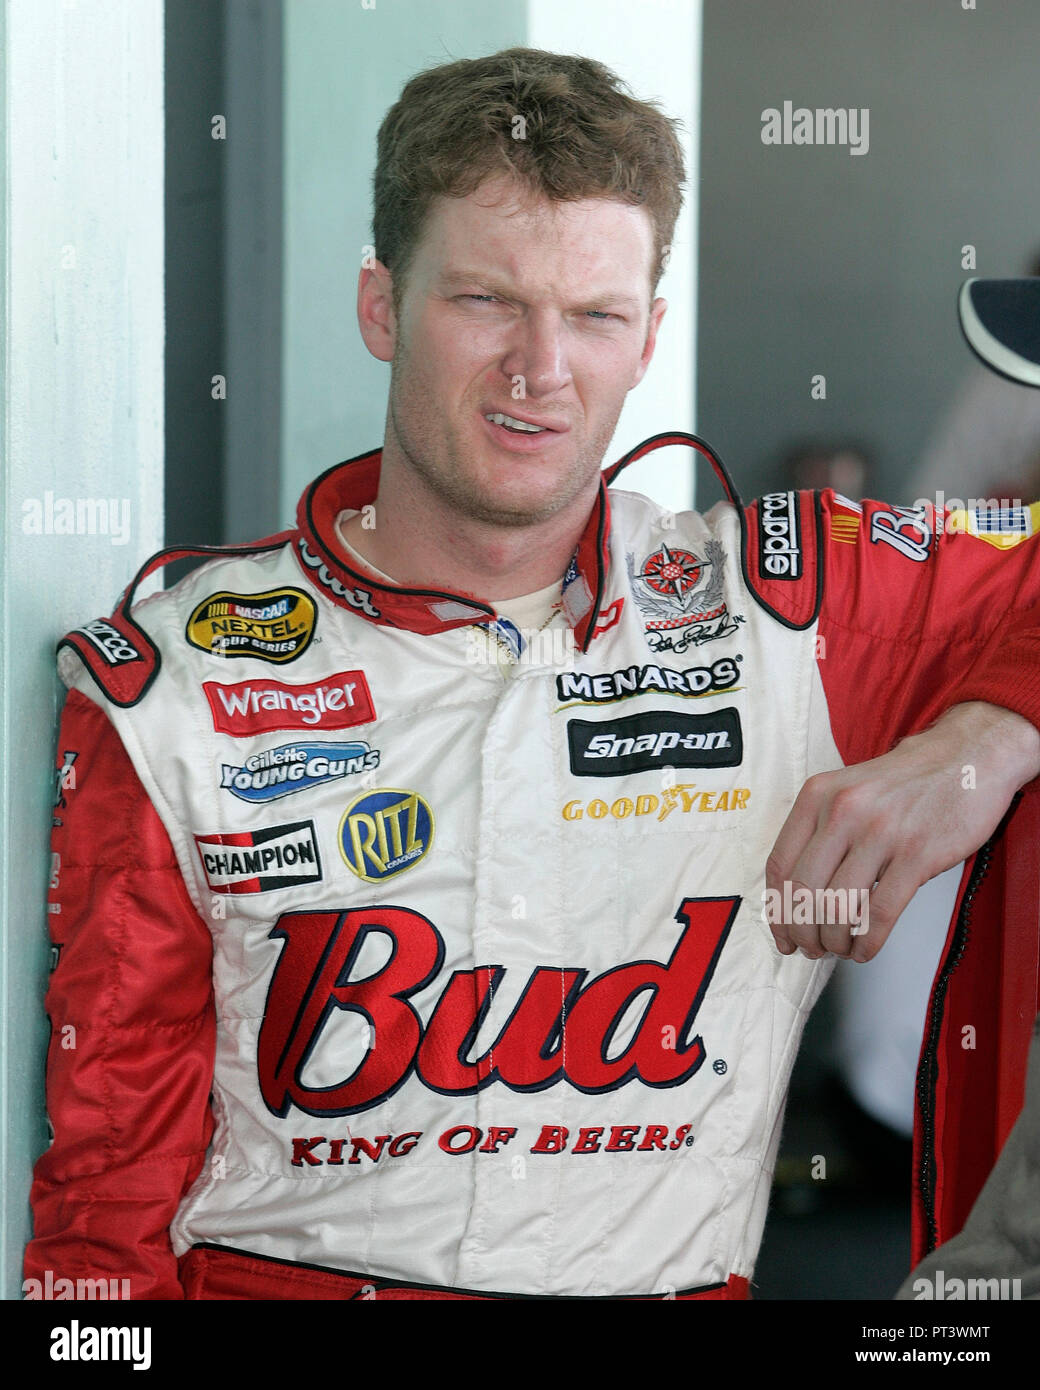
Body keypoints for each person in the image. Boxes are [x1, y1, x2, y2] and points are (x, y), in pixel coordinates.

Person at [24, 47, 1040, 1301]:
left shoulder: (791, 606)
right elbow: (108, 1188)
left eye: (595, 315)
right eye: (486, 301)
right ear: (381, 305)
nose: (539, 366)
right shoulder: (171, 679)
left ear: (649, 337)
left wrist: (984, 740)